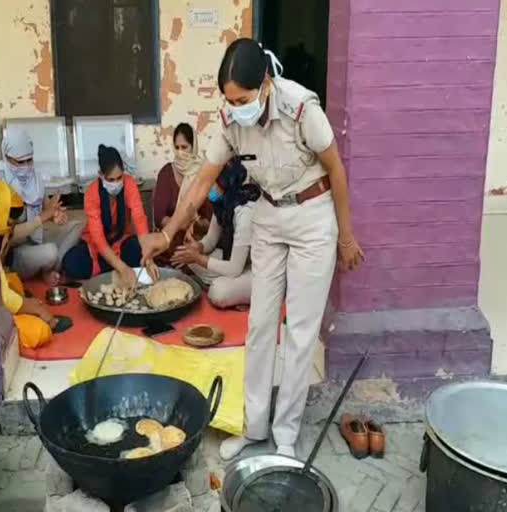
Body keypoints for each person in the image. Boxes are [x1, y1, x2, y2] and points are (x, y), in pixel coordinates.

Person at [140, 39, 365, 460]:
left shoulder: (301, 108)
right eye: (229, 100)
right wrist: (167, 234)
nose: (236, 107)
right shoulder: (230, 120)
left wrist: (346, 238)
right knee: (261, 325)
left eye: (242, 99)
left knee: (299, 330)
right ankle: (254, 427)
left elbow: (336, 169)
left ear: (265, 82)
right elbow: (203, 181)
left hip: (313, 217)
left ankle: (285, 436)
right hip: (268, 214)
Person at [0, 126, 84, 284]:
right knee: (50, 252)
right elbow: (10, 237)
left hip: (38, 240)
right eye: (20, 162)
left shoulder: (36, 177)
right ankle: (48, 267)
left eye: (29, 159)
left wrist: (57, 216)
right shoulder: (1, 184)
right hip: (16, 251)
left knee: (77, 226)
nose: (26, 166)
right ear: (7, 157)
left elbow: (47, 208)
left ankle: (47, 268)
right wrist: (44, 216)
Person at [0, 179, 70, 349]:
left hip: (4, 288)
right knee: (38, 332)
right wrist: (30, 307)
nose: (10, 229)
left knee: (15, 285)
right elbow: (1, 296)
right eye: (9, 224)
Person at [170, 161, 257, 309]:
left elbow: (235, 268)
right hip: (235, 262)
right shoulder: (223, 203)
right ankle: (235, 289)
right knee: (189, 260)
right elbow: (210, 240)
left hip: (256, 269)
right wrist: (196, 248)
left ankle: (241, 293)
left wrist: (198, 257)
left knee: (218, 292)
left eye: (212, 183)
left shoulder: (245, 213)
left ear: (225, 184)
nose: (208, 189)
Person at [62, 145, 150, 286]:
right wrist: (122, 268)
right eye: (110, 180)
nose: (116, 183)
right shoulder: (91, 193)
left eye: (119, 178)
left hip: (121, 242)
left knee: (139, 249)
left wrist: (149, 255)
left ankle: (109, 270)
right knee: (72, 262)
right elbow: (98, 239)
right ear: (101, 175)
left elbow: (139, 218)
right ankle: (114, 268)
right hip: (96, 247)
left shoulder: (129, 184)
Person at [152, 123, 212, 263]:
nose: (180, 152)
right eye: (177, 147)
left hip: (196, 239)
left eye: (184, 147)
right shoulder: (166, 173)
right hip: (170, 239)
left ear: (193, 146)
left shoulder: (202, 173)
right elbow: (159, 217)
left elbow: (209, 220)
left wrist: (195, 225)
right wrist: (181, 224)